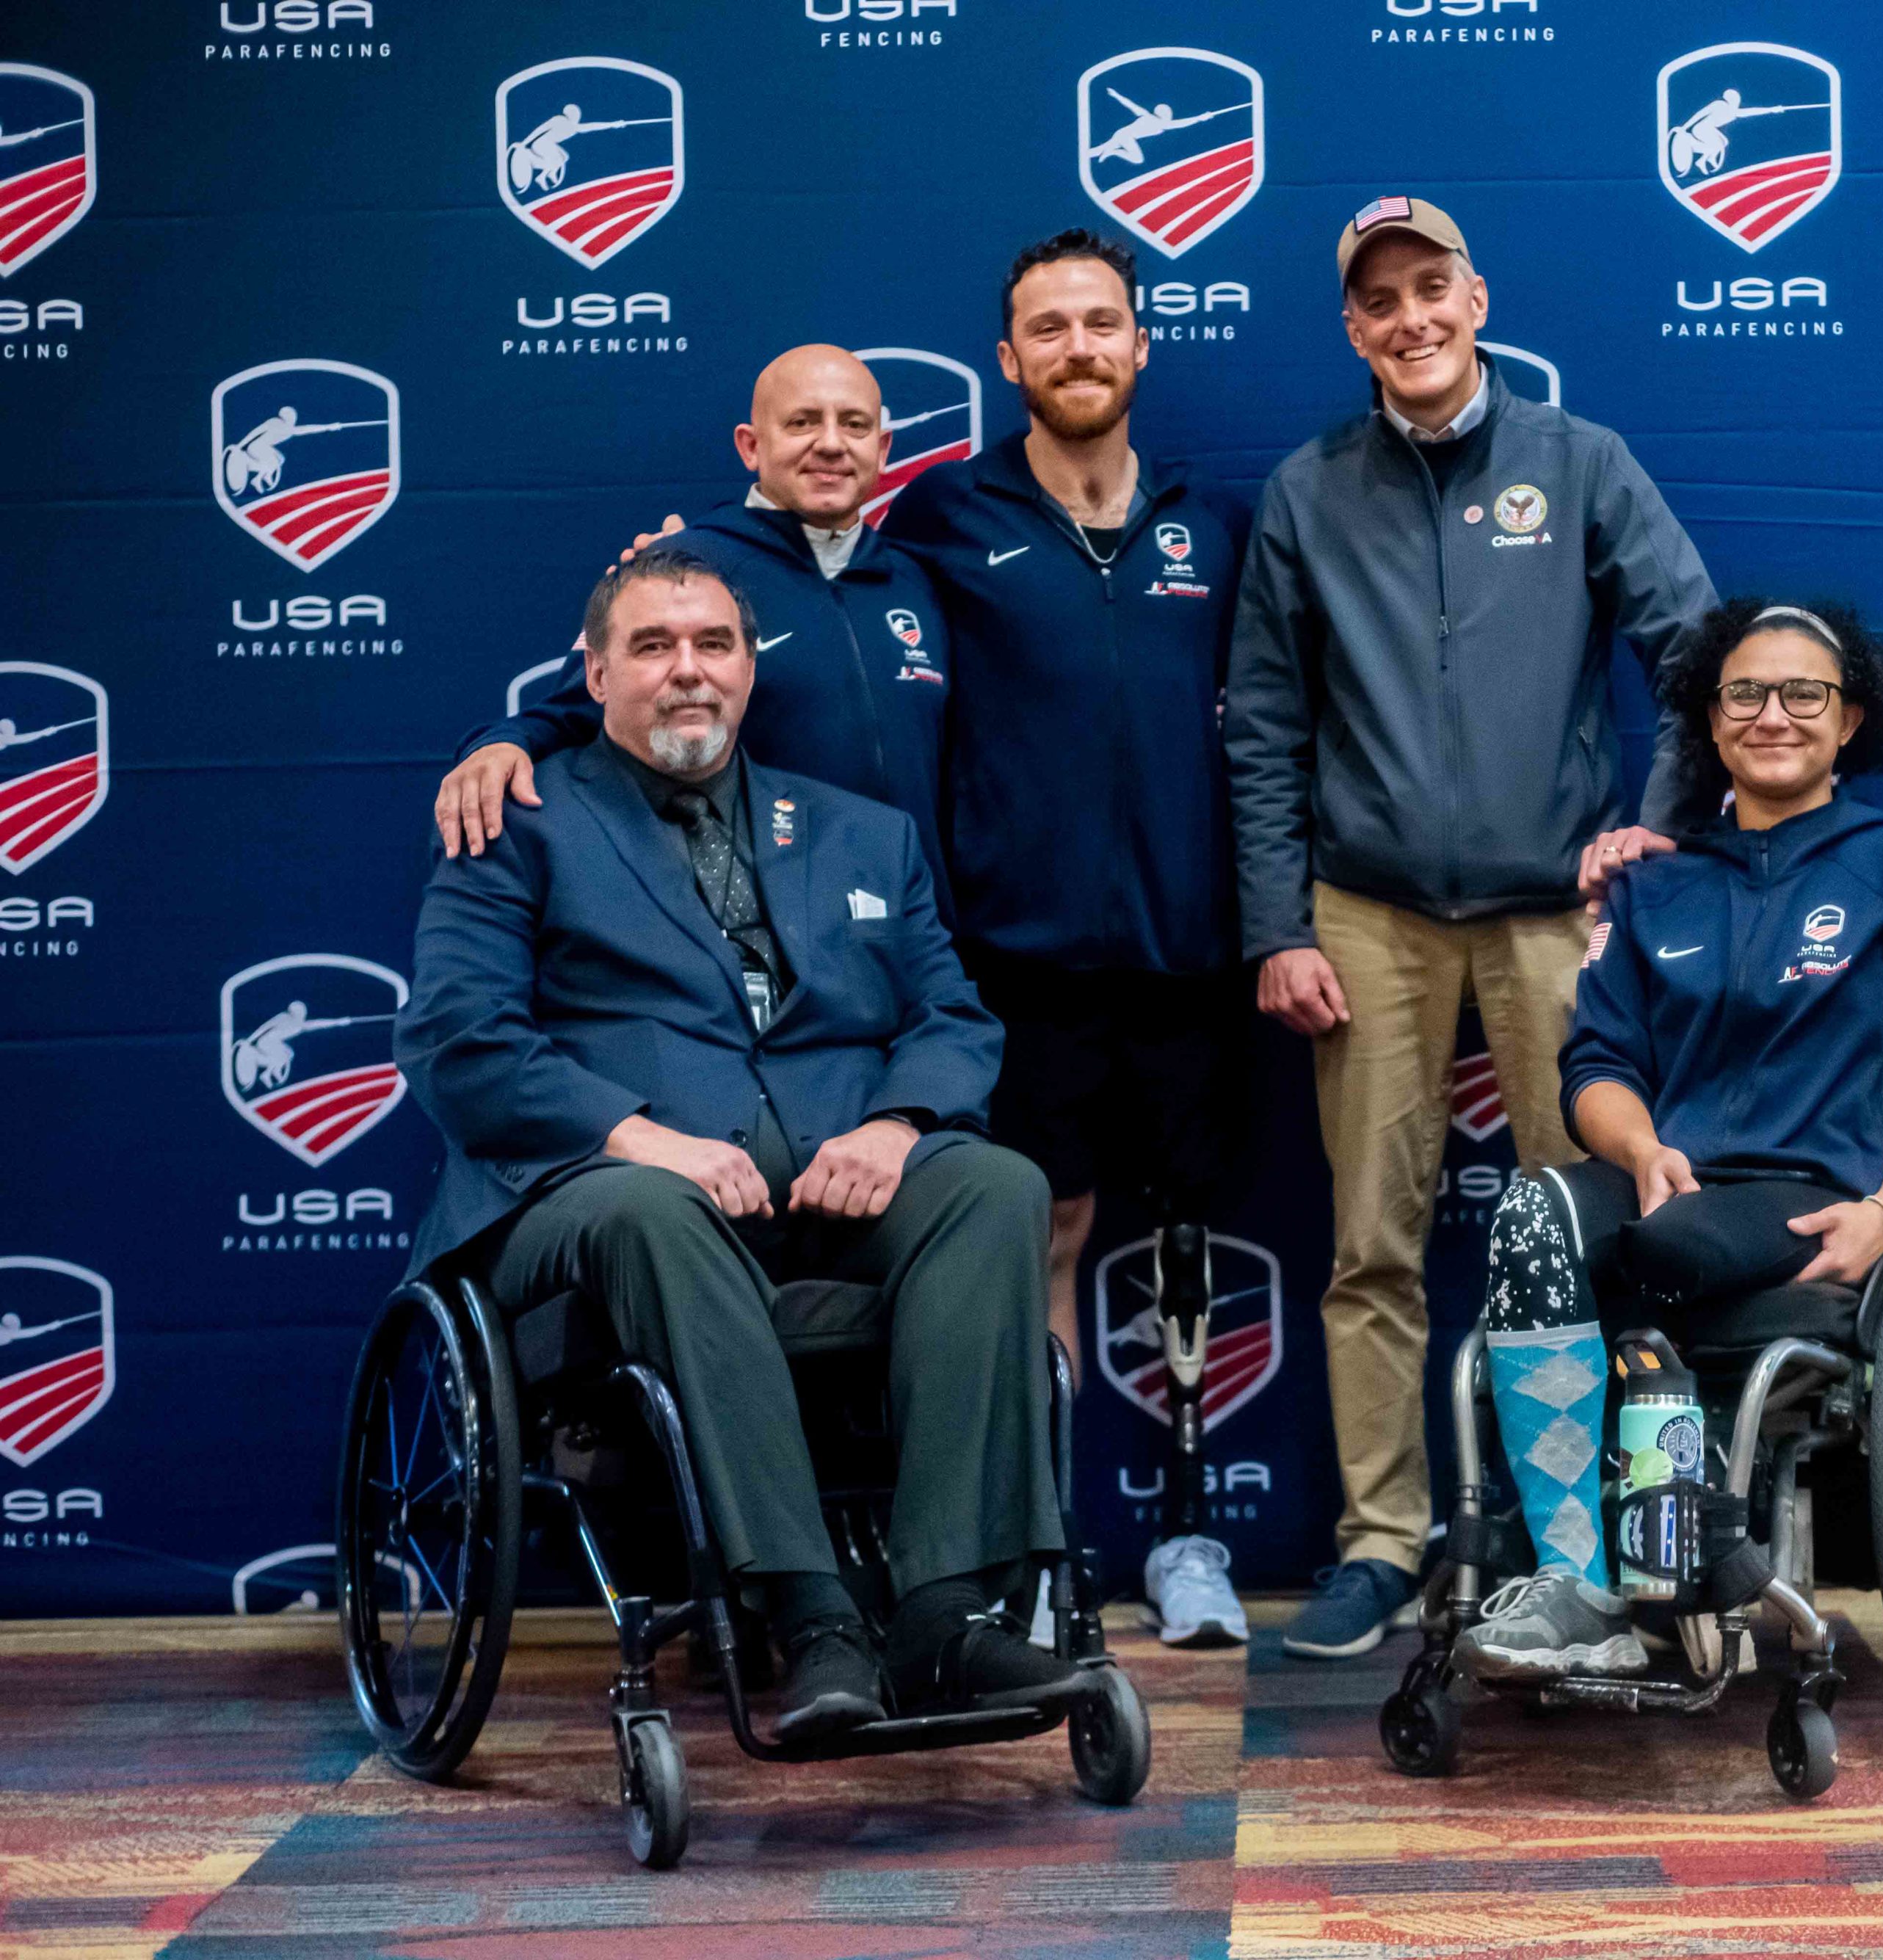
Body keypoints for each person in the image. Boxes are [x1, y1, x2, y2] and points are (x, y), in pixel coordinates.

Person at [396, 548, 1078, 1741]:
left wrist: (895, 1121)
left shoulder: (863, 834)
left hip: (821, 1193)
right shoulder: (521, 819)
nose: (687, 673)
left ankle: (941, 1617)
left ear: (752, 670)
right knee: (656, 1211)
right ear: (595, 673)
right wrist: (635, 1138)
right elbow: (460, 1042)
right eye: (653, 648)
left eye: (714, 645)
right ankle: (811, 1617)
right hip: (588, 1205)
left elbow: (952, 1018)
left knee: (992, 1186)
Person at [1226, 193, 1719, 1659]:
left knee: (1590, 1236)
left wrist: (1654, 821)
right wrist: (1275, 926)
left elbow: (1695, 651)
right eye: (1378, 302)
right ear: (1352, 331)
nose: (1409, 319)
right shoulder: (1307, 491)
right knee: (1370, 1246)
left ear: (1476, 297)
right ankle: (1379, 1546)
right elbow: (1258, 724)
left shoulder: (1578, 462)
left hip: (1547, 912)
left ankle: (1583, 1539)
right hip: (1362, 915)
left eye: (1429, 288)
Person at [1463, 599, 1883, 1679]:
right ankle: (1582, 1585)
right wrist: (1637, 1150)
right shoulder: (1653, 880)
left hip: (1815, 1191)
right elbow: (1598, 1069)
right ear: (1709, 722)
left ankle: (1676, 1553)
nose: (1773, 714)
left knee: (1664, 1257)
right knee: (1535, 1212)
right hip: (1672, 1179)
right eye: (1745, 693)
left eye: (1804, 692)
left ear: (1850, 718)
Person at [879, 228, 1253, 1649]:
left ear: (1141, 345)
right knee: (1047, 1238)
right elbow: (763, 610)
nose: (1080, 347)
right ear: (1010, 359)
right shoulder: (938, 520)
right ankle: (1042, 1552)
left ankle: (1190, 1537)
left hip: (1189, 959)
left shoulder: (1212, 526)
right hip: (1016, 966)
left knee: (1183, 1244)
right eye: (1051, 327)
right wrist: (532, 722)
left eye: (1104, 322)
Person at [433, 346, 956, 916]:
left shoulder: (914, 580)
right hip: (762, 936)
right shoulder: (687, 567)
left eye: (853, 425)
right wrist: (499, 745)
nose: (830, 443)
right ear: (751, 446)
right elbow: (577, 705)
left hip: (912, 924)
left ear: (881, 449)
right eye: (802, 422)